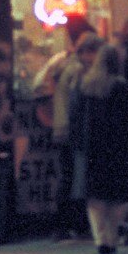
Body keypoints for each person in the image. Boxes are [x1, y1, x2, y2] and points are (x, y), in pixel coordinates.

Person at [33, 20, 100, 237]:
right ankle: (76, 224)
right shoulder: (78, 67)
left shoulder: (60, 62)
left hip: (61, 127)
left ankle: (64, 225)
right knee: (78, 176)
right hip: (77, 129)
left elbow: (37, 86)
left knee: (67, 175)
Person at [74, 44, 128, 254]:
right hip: (118, 147)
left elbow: (75, 118)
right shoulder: (124, 88)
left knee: (94, 196)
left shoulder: (85, 85)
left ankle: (100, 237)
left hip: (92, 148)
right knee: (116, 196)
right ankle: (112, 237)